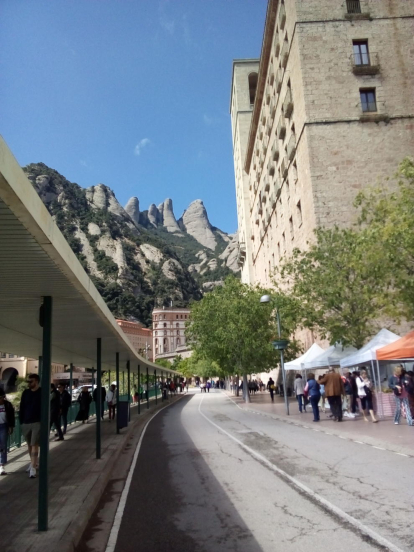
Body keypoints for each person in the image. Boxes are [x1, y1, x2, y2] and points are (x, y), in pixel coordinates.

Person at [19, 373, 41, 478]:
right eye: (28, 381)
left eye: (30, 381)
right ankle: (33, 462)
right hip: (26, 422)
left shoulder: (41, 392)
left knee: (34, 444)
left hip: (37, 422)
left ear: (36, 381)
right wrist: (21, 421)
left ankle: (33, 467)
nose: (28, 383)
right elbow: (22, 407)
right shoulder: (25, 393)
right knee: (29, 444)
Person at [0, 388, 15, 475]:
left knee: (3, 445)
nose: (1, 400)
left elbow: (11, 416)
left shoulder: (8, 405)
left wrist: (11, 426)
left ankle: (2, 465)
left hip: (3, 426)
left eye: (2, 398)